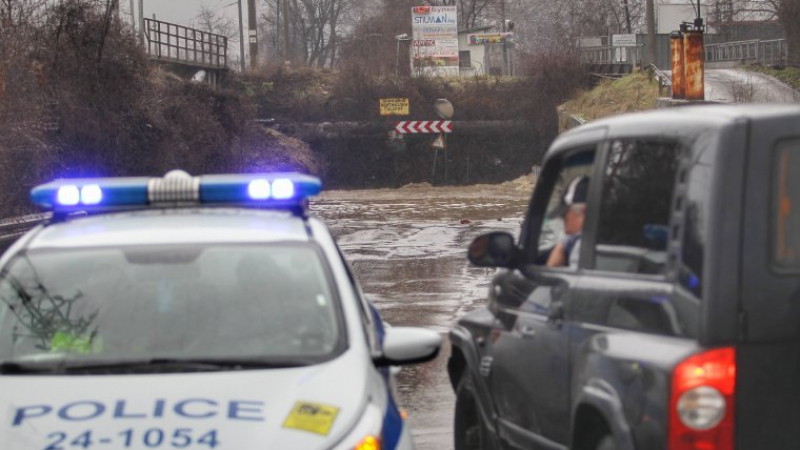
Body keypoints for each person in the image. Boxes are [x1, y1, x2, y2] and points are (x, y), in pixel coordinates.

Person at [546, 176, 589, 268]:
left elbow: (552, 268)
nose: (565, 230)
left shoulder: (581, 247)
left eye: (564, 217)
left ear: (583, 212)